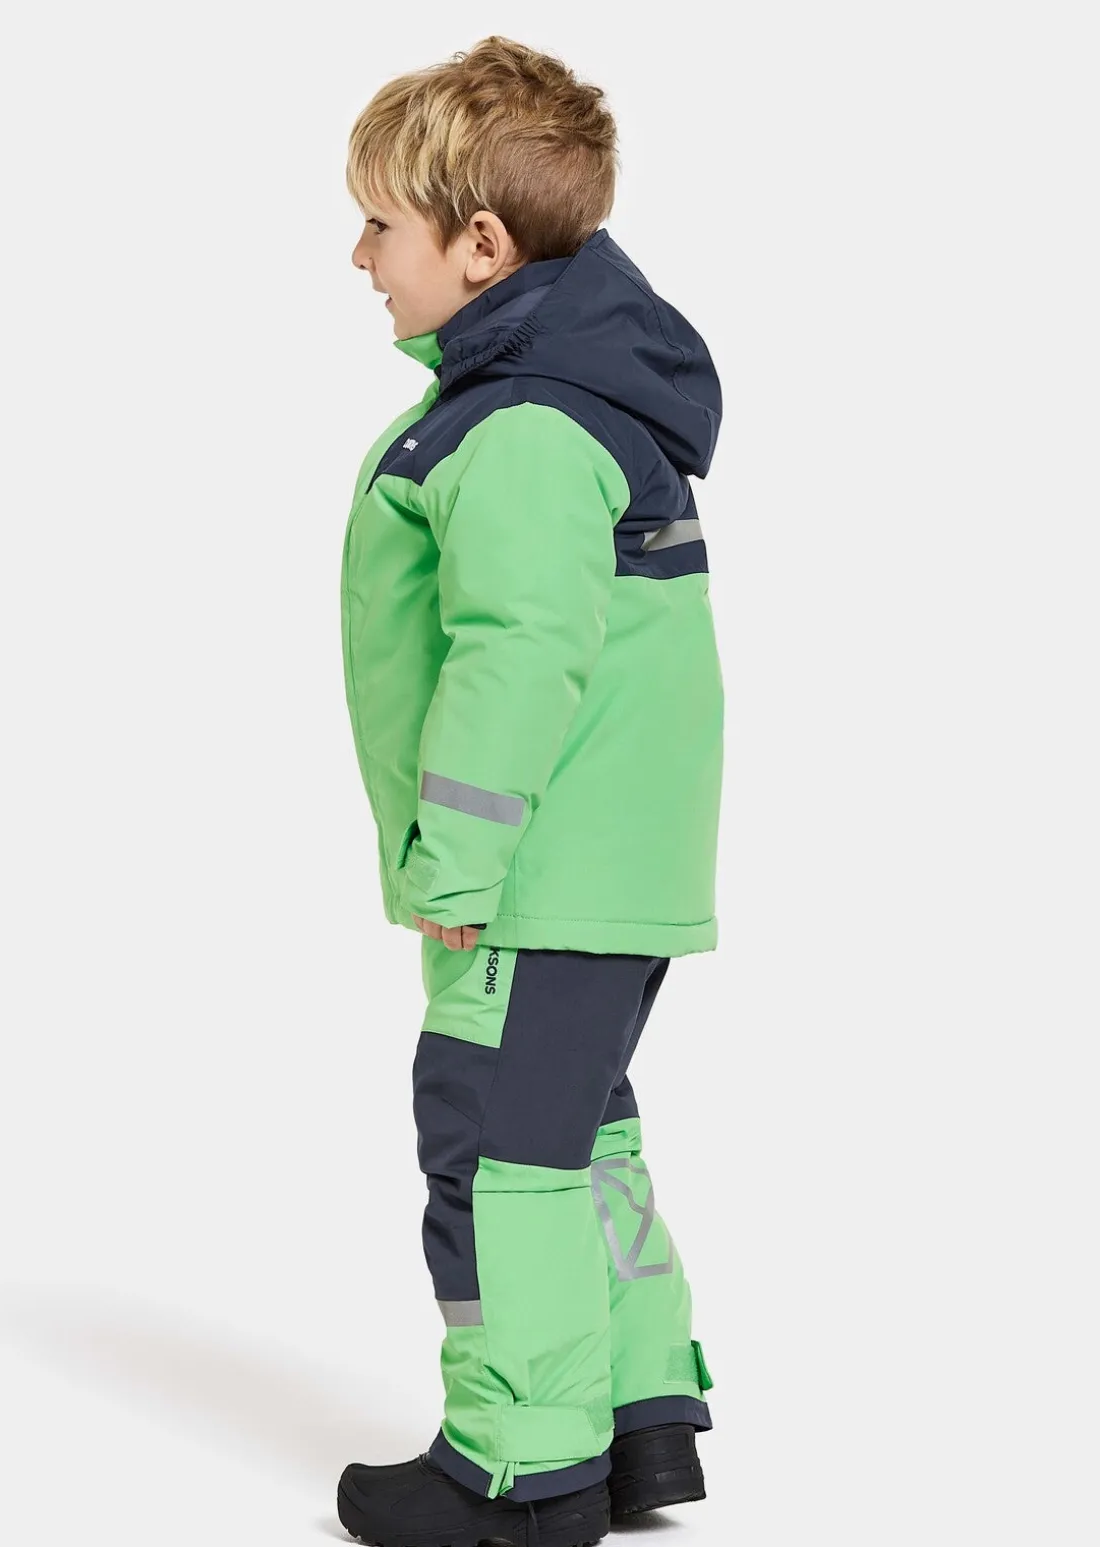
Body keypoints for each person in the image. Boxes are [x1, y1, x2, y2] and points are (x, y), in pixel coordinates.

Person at [337, 34, 725, 1547]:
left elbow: (517, 654)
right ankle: (636, 1422)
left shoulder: (521, 429)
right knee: (575, 1137)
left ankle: (515, 1468)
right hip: (608, 871)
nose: (359, 257)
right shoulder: (576, 398)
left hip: (537, 875)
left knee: (492, 1146)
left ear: (481, 246)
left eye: (381, 224)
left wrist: (452, 861)